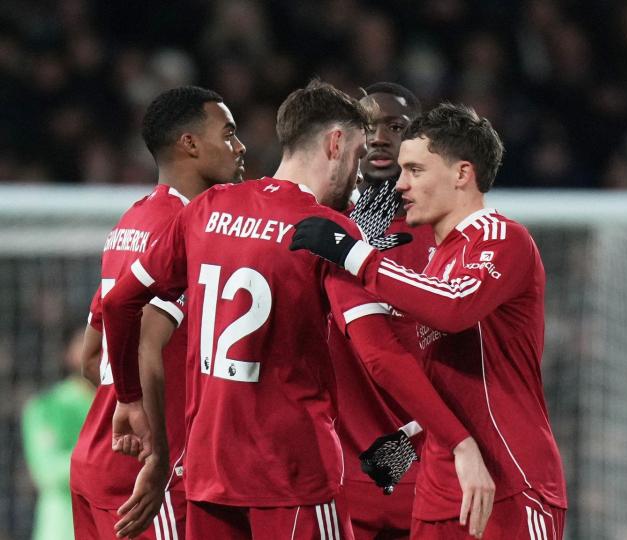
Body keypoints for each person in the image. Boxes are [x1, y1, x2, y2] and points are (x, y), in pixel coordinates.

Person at [102, 80, 495, 540]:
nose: (361, 169)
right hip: (294, 472)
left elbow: (117, 302)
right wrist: (461, 442)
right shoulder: (331, 234)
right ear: (335, 144)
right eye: (358, 151)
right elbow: (380, 355)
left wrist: (128, 397)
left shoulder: (209, 208)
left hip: (213, 472)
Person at [290, 102, 568, 539]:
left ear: (462, 174)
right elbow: (447, 379)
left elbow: (454, 309)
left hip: (510, 480)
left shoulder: (503, 238)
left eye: (416, 170)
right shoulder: (436, 264)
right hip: (441, 487)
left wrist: (356, 255)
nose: (400, 185)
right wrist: (409, 443)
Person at [70, 85, 246, 540]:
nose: (240, 146)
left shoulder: (131, 220)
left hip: (95, 458)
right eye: (228, 133)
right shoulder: (189, 230)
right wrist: (158, 444)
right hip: (149, 475)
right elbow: (148, 340)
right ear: (189, 143)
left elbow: (91, 357)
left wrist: (123, 402)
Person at [332, 82, 429, 540]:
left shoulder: (438, 233)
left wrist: (393, 461)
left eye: (396, 126)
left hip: (417, 471)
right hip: (335, 470)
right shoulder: (324, 228)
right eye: (368, 126)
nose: (380, 138)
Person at [21, 328, 95, 540]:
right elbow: (47, 471)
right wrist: (106, 455)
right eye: (86, 340)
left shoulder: (128, 405)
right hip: (63, 530)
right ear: (68, 352)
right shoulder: (45, 407)